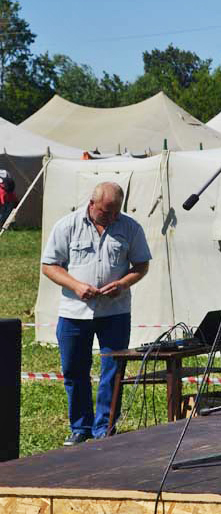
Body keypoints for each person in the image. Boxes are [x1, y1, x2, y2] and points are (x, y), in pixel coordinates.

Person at [40, 181, 151, 445]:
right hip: (74, 312)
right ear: (92, 203)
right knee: (73, 370)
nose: (112, 217)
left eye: (116, 212)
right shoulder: (67, 225)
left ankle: (105, 429)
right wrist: (76, 286)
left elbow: (142, 264)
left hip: (115, 312)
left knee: (112, 371)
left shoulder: (130, 228)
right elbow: (49, 265)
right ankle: (80, 427)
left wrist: (123, 283)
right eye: (105, 211)